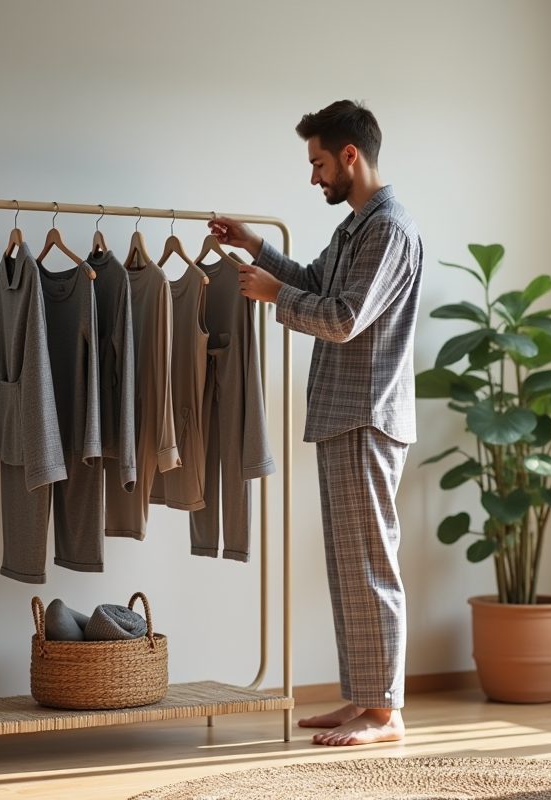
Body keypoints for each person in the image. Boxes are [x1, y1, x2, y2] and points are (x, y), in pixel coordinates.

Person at [209, 100, 423, 747]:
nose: (315, 178)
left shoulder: (389, 229)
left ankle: (385, 714)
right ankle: (364, 699)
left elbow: (343, 317)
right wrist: (257, 247)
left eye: (320, 163)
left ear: (350, 156)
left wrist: (275, 296)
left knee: (371, 565)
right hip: (340, 415)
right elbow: (316, 282)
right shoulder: (357, 228)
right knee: (346, 566)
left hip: (368, 415)